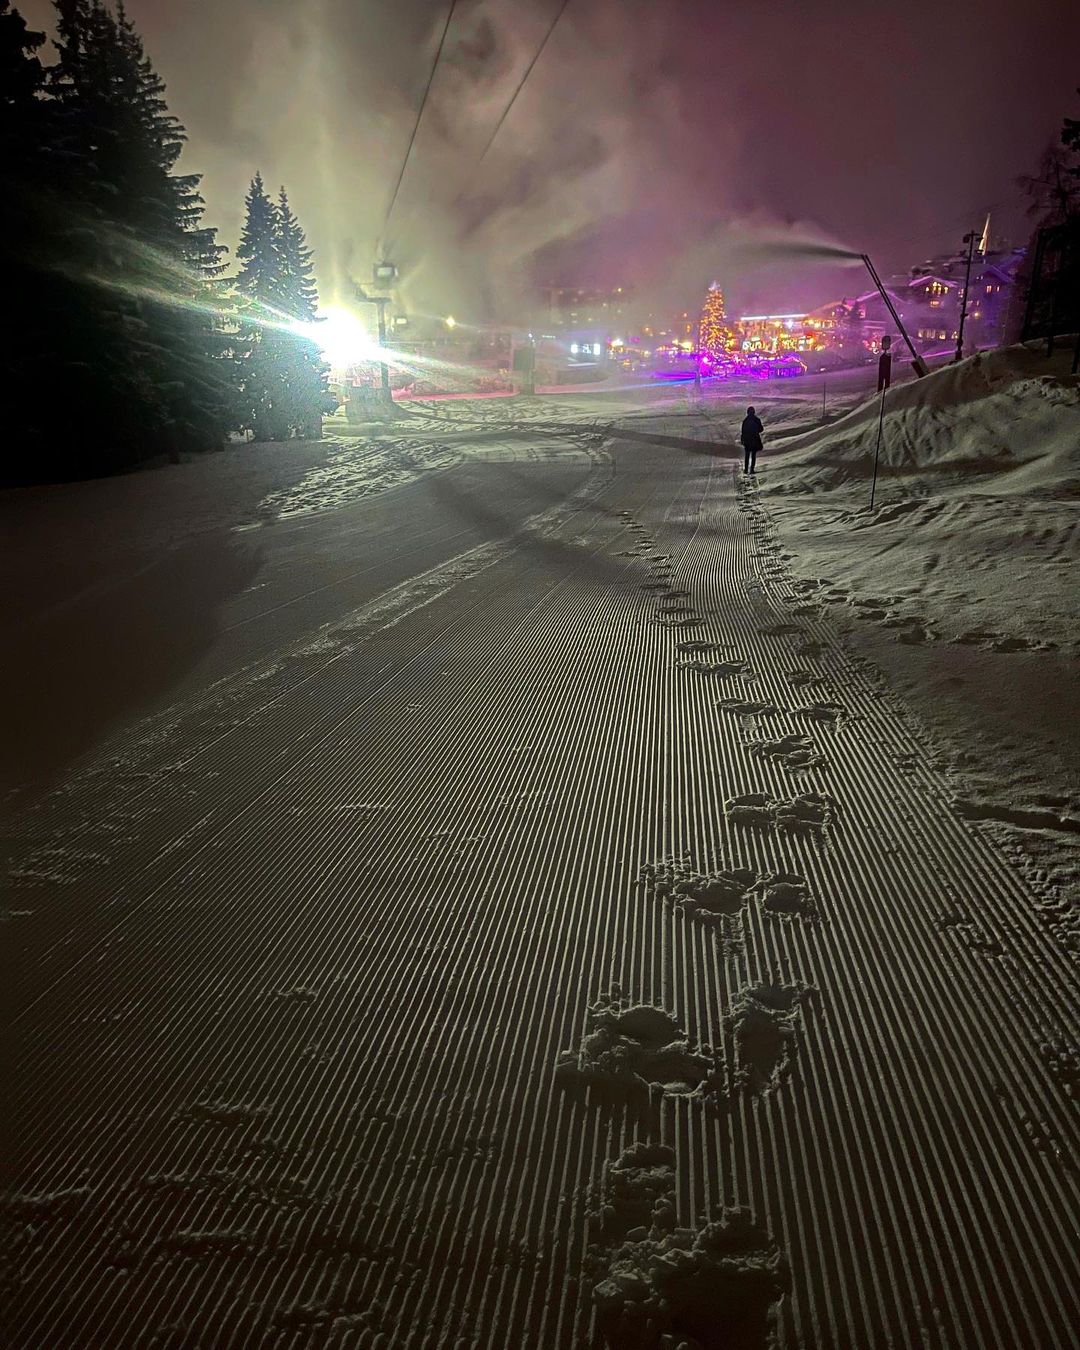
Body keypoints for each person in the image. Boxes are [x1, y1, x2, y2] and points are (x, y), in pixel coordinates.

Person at [740, 405, 764, 474]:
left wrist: (743, 440)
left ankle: (746, 470)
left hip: (747, 440)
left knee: (747, 455)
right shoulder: (757, 420)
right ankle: (752, 470)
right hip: (755, 439)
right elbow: (761, 429)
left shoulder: (745, 421)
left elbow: (743, 431)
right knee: (753, 455)